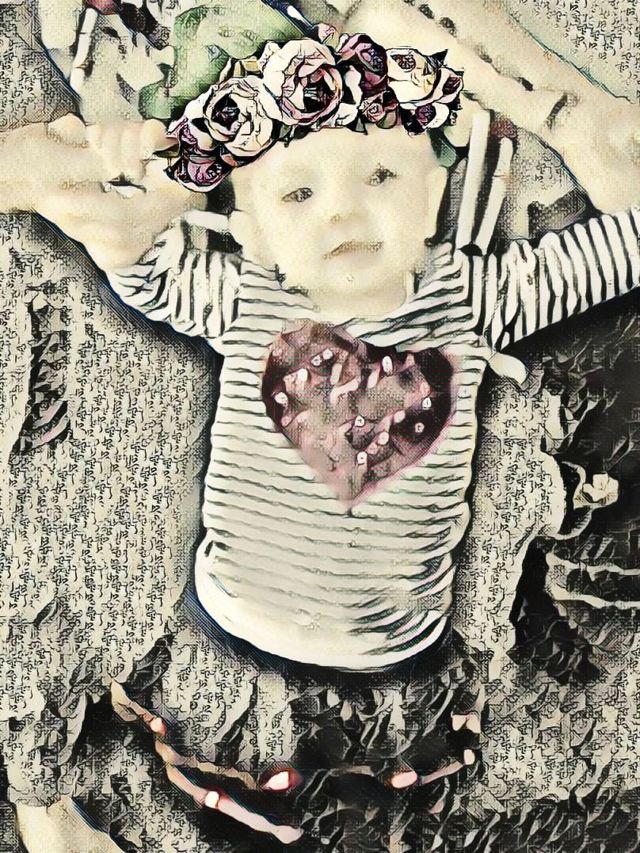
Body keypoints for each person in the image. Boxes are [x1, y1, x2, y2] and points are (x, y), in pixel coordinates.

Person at [1, 5, 639, 846]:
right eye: (300, 193)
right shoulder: (243, 298)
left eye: (381, 176)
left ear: (432, 197)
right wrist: (130, 193)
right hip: (239, 624)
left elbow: (629, 241)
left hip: (394, 649)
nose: (343, 212)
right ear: (254, 232)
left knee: (368, 808)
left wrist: (544, 107)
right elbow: (136, 260)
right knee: (215, 797)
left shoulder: (478, 296)